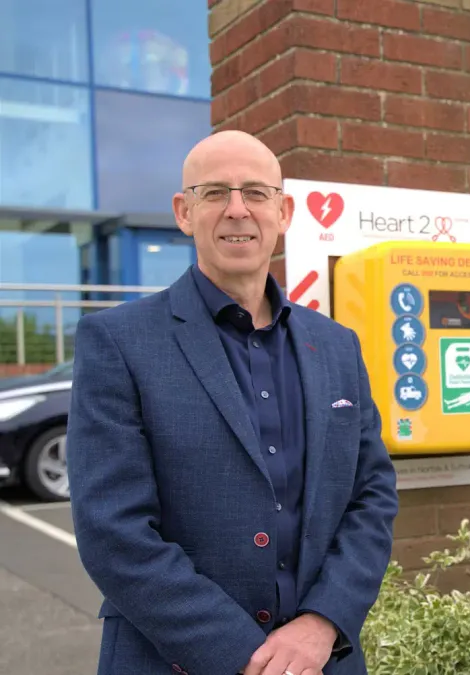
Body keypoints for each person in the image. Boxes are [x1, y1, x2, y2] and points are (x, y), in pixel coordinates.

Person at [66, 130, 400, 675]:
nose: (238, 210)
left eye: (256, 193)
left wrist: (323, 623)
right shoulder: (118, 342)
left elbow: (373, 495)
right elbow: (112, 530)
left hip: (323, 660)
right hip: (173, 661)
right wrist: (244, 655)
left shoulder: (337, 345)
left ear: (283, 212)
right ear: (184, 212)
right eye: (216, 192)